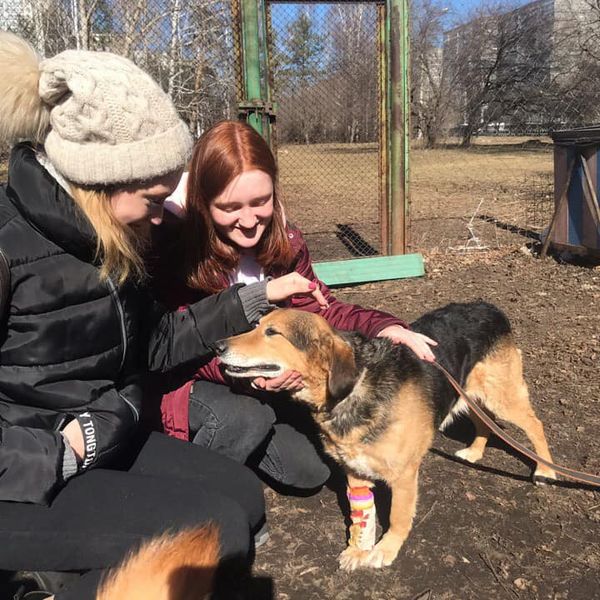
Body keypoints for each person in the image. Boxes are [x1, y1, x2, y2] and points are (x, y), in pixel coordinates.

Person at [0, 34, 325, 600]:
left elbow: (152, 343)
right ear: (100, 180)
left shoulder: (106, 240)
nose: (161, 217)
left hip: (102, 434)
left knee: (243, 498)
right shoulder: (10, 247)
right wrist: (57, 454)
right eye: (154, 198)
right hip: (25, 473)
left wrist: (249, 302)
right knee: (213, 537)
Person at [150, 120, 438, 492]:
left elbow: (319, 312)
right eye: (230, 207)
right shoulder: (175, 249)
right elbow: (172, 345)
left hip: (262, 377)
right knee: (243, 419)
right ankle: (196, 495)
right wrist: (250, 375)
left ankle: (237, 447)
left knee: (309, 472)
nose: (250, 220)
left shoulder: (285, 241)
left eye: (261, 201)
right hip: (193, 378)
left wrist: (384, 327)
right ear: (203, 204)